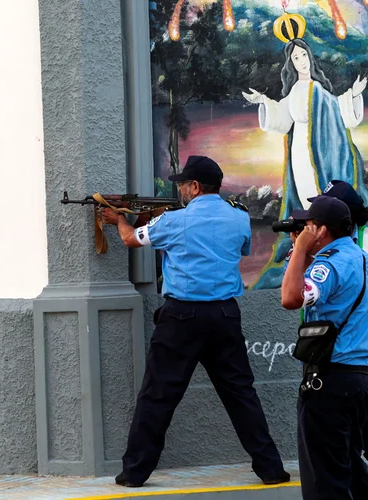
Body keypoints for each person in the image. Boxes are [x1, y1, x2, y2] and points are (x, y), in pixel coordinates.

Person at [100, 155, 290, 488]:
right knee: (241, 394)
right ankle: (271, 468)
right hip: (225, 315)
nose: (182, 190)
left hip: (182, 317)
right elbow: (243, 249)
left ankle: (134, 472)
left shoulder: (174, 221)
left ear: (195, 186)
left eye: (184, 185)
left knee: (158, 395)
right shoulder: (238, 218)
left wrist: (118, 220)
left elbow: (131, 240)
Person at [242, 24, 368, 290]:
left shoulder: (318, 88)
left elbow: (337, 109)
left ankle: (325, 240)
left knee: (320, 192)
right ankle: (310, 243)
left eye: (303, 56)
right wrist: (263, 101)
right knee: (305, 194)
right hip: (300, 151)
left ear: (310, 58)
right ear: (290, 64)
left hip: (322, 151)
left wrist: (353, 95)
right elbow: (281, 117)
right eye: (295, 58)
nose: (301, 61)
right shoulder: (294, 92)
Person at [283, 180, 368, 475]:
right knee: (348, 467)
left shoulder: (351, 252)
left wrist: (351, 296)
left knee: (327, 475)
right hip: (334, 350)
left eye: (311, 223)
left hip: (338, 361)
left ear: (323, 228)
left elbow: (291, 296)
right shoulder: (354, 255)